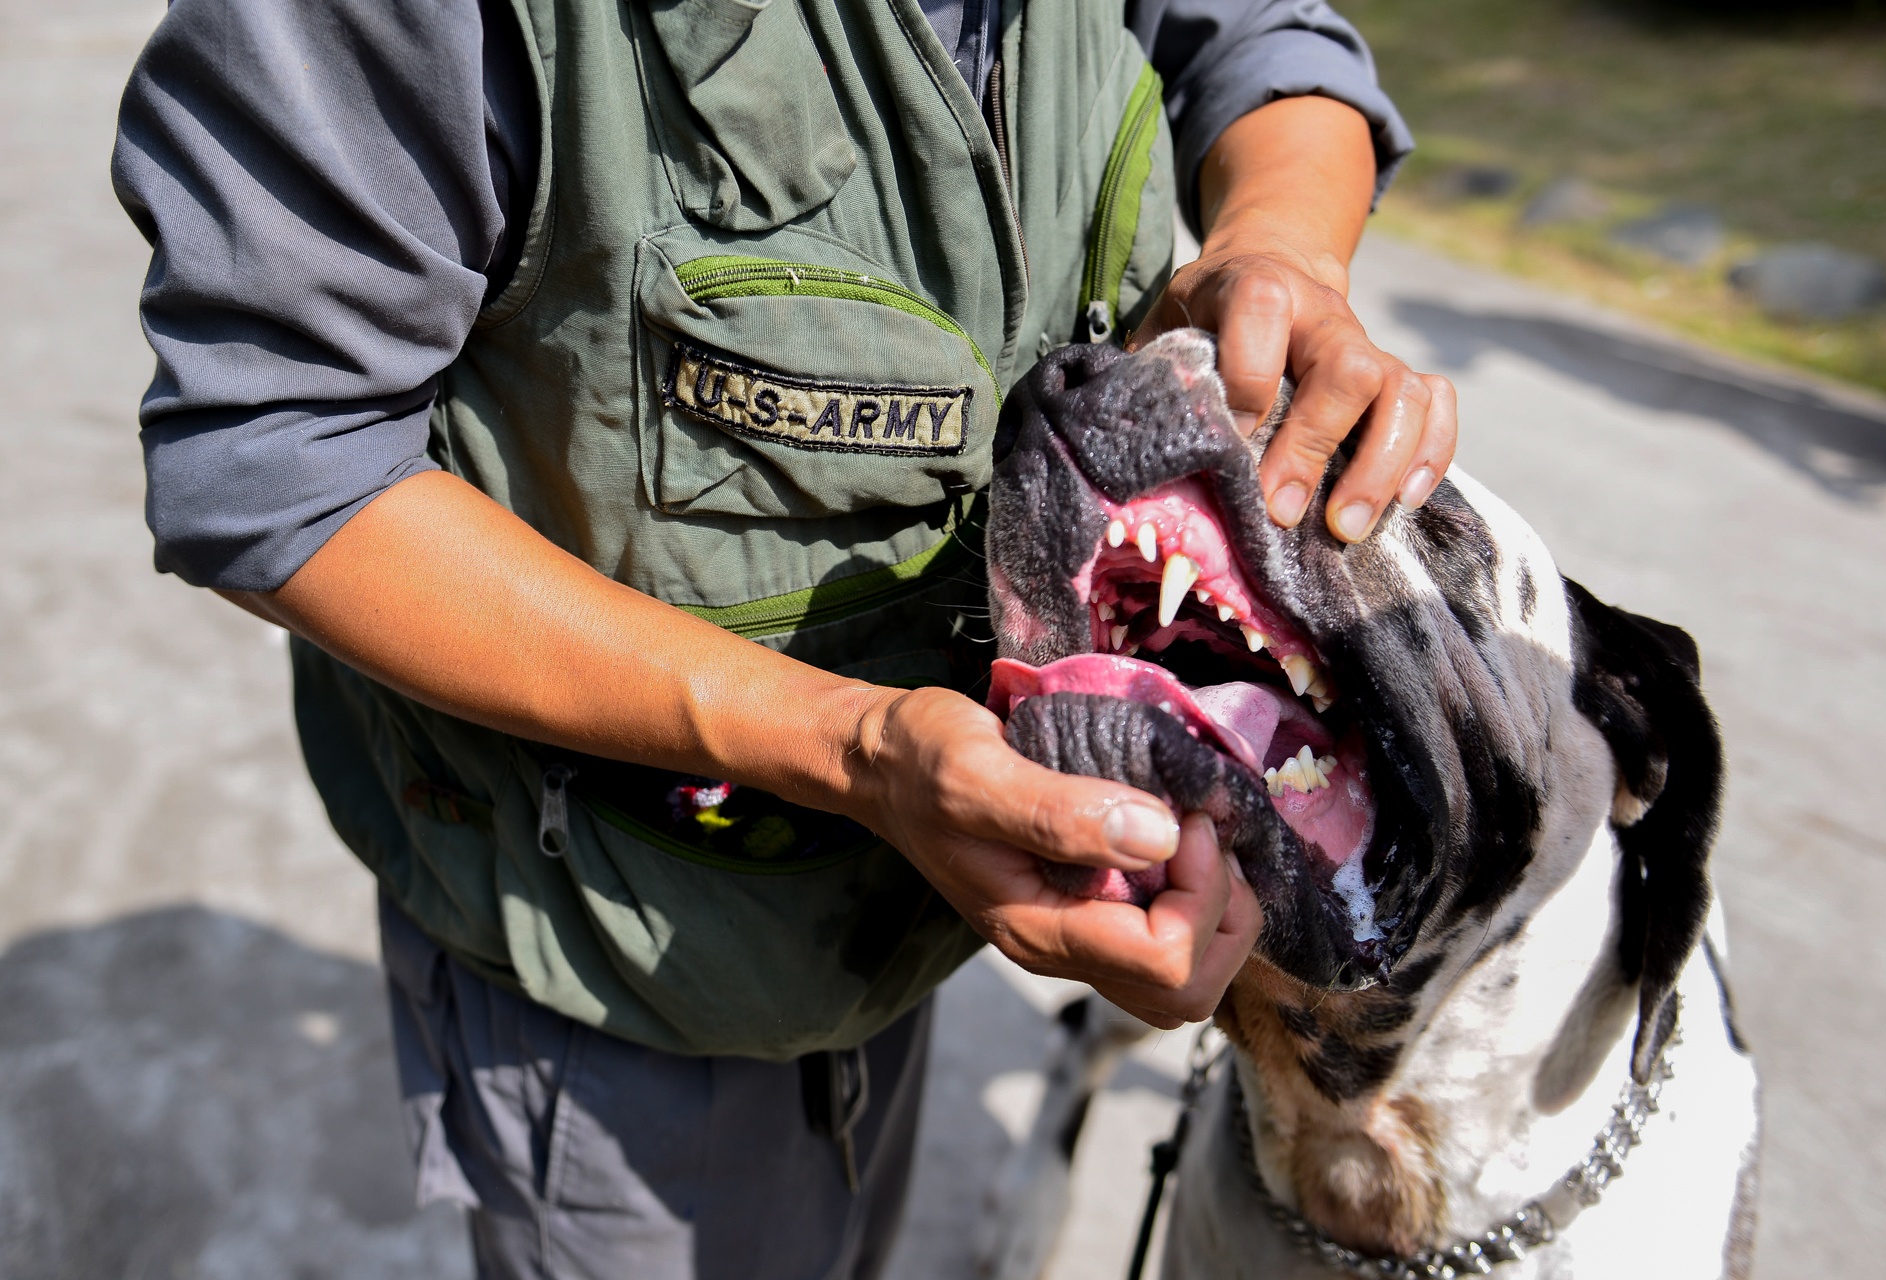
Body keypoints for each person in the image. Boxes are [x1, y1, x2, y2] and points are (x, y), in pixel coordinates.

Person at [111, 0, 1455, 1273]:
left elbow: (1266, 37)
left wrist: (1275, 244)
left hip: (919, 903)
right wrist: (854, 748)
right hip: (625, 963)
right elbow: (284, 463)